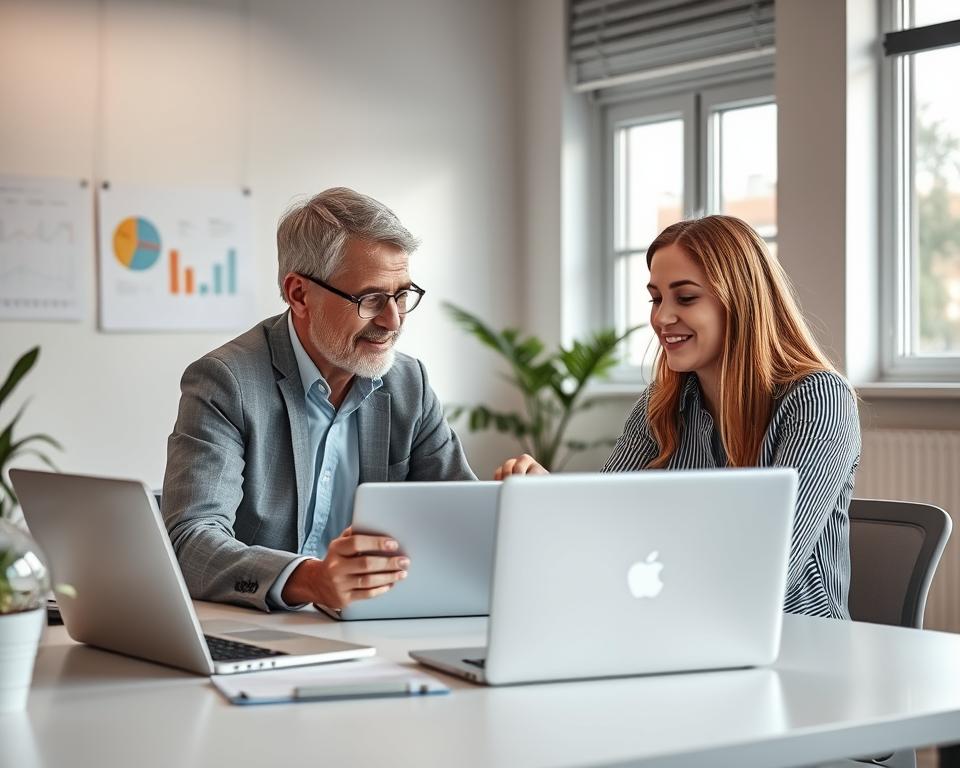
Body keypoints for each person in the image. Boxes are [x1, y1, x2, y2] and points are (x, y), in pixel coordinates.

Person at [495, 215, 860, 620]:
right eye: (656, 298)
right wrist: (551, 500)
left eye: (685, 298)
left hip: (793, 641)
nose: (662, 318)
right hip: (672, 628)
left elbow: (768, 567)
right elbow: (608, 523)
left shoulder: (819, 399)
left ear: (741, 301)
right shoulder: (662, 401)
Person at [163, 187, 475, 614]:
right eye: (370, 299)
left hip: (382, 626)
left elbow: (463, 521)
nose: (393, 320)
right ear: (298, 294)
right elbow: (192, 541)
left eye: (402, 295)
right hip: (264, 627)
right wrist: (308, 579)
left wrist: (520, 505)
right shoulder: (227, 382)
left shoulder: (409, 385)